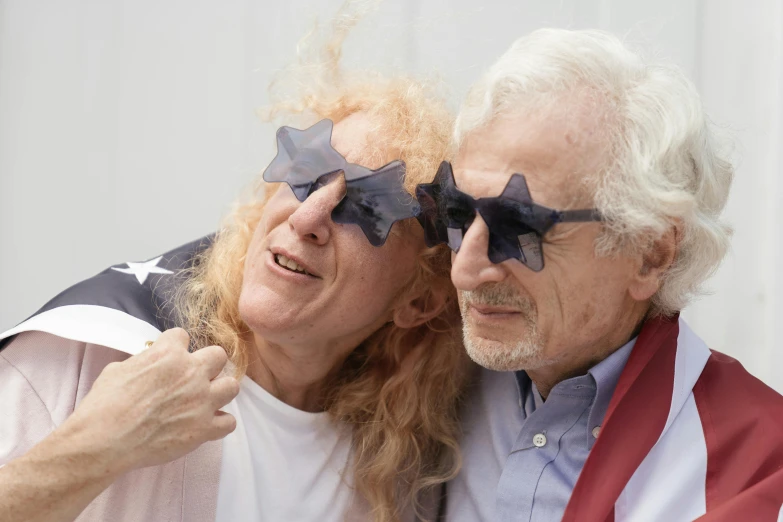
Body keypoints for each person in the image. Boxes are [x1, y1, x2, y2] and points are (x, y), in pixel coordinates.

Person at [0, 17, 471, 522]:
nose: (307, 217)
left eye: (369, 207)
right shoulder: (90, 353)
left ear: (418, 301)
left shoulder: (401, 474)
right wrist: (99, 443)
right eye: (308, 173)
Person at [415, 28, 783, 521]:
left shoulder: (757, 471)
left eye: (519, 226)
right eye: (457, 214)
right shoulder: (420, 370)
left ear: (649, 252)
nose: (464, 270)